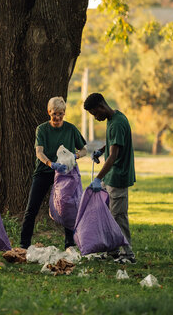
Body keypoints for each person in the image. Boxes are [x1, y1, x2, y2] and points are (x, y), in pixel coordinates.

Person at [20, 96, 87, 250]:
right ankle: (24, 245)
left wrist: (74, 156)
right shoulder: (42, 129)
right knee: (32, 208)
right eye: (54, 114)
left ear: (64, 113)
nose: (57, 117)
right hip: (45, 171)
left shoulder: (71, 129)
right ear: (48, 112)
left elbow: (84, 150)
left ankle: (70, 244)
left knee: (68, 208)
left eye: (60, 114)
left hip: (65, 174)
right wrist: (51, 164)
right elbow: (39, 152)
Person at [83, 92, 136, 264]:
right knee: (108, 215)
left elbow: (113, 156)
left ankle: (128, 254)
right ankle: (112, 251)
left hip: (118, 176)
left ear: (101, 107)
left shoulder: (117, 123)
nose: (95, 117)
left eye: (94, 114)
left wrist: (98, 178)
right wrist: (102, 149)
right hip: (111, 177)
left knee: (118, 216)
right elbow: (114, 143)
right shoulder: (115, 119)